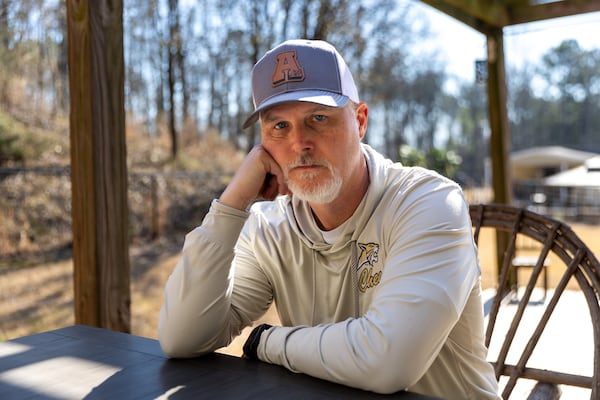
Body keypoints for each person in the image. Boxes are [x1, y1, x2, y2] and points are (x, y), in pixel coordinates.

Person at [158, 39, 500, 399]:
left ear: (361, 121)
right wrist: (232, 204)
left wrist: (265, 341)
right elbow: (183, 338)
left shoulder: (427, 202)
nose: (300, 143)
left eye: (318, 119)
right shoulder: (269, 227)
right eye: (279, 127)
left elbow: (387, 362)